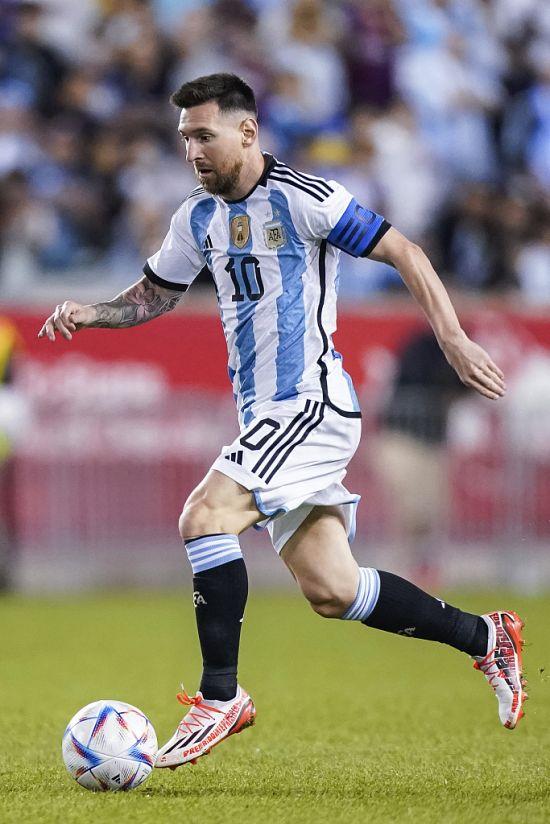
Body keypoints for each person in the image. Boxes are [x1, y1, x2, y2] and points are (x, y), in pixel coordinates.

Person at [38, 73, 527, 770]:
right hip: (266, 414)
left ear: (247, 131)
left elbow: (404, 251)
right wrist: (93, 312)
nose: (192, 151)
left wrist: (452, 339)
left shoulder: (305, 198)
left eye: (204, 135)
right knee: (334, 589)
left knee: (205, 515)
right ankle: (486, 638)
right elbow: (156, 293)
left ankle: (220, 696)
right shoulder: (196, 218)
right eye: (184, 138)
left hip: (308, 404)